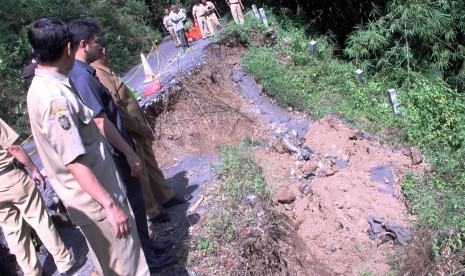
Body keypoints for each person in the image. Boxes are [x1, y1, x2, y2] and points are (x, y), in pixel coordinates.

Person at [26, 17, 149, 275]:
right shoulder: (53, 99)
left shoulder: (47, 85)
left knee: (113, 267)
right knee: (130, 269)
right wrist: (110, 206)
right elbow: (74, 161)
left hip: (94, 202)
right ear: (69, 48)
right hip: (98, 204)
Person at [67, 19, 176, 272]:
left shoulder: (85, 74)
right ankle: (147, 257)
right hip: (116, 152)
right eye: (96, 41)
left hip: (120, 148)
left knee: (137, 202)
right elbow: (100, 120)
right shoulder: (82, 78)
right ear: (84, 44)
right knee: (134, 204)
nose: (100, 46)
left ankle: (148, 246)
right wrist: (128, 152)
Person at [91, 39, 192, 225]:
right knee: (141, 173)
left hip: (138, 128)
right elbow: (118, 111)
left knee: (150, 165)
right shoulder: (101, 75)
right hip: (131, 131)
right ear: (104, 50)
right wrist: (138, 127)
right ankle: (152, 212)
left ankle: (165, 196)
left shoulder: (106, 72)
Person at [0, 118, 80, 276]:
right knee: (39, 219)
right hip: (10, 177)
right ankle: (65, 262)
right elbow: (13, 147)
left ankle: (32, 272)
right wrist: (33, 169)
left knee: (13, 232)